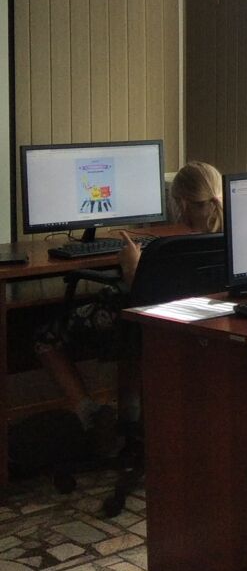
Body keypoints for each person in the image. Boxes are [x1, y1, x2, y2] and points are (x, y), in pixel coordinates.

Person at [34, 160, 224, 452]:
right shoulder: (228, 240)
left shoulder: (168, 249)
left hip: (152, 328)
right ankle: (129, 420)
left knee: (45, 335)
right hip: (200, 332)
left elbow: (147, 301)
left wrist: (132, 268)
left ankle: (89, 414)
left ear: (183, 204)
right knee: (132, 336)